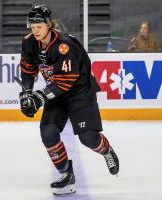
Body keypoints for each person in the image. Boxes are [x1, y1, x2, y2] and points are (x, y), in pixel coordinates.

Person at [18, 4, 119, 195]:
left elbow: (66, 81)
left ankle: (106, 151)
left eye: (39, 26)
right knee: (48, 132)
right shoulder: (29, 42)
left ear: (49, 24)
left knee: (88, 138)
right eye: (32, 26)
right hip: (56, 93)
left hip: (80, 91)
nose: (35, 30)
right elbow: (28, 70)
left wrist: (40, 96)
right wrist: (26, 92)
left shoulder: (64, 45)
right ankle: (66, 174)